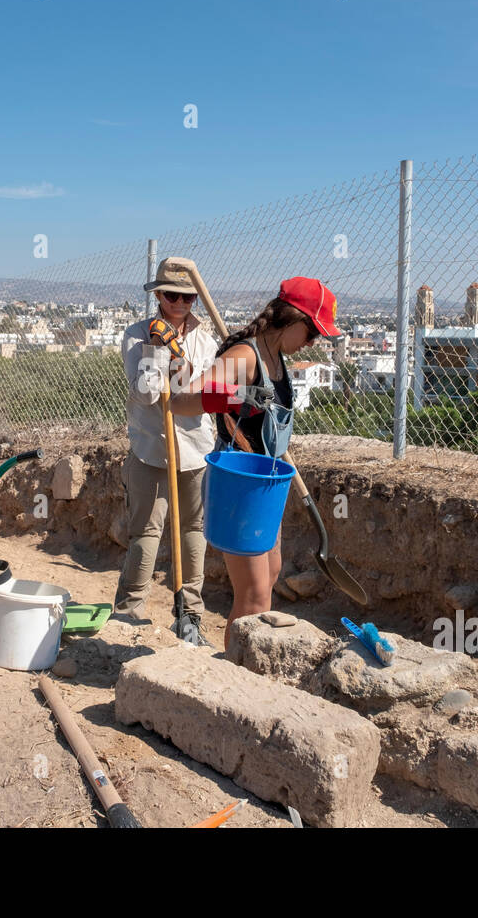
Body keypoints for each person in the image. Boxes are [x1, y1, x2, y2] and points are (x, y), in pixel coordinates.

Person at [168, 277, 340, 649]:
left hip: (265, 482)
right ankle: (234, 672)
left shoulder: (275, 357)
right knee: (255, 596)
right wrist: (236, 395)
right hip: (238, 485)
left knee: (271, 574)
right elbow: (181, 401)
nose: (312, 343)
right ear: (292, 319)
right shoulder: (245, 357)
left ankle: (244, 661)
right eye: (311, 333)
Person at [114, 259, 219, 644]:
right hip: (149, 450)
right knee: (145, 533)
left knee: (194, 531)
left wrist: (183, 364)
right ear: (157, 295)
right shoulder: (135, 335)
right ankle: (127, 617)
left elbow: (200, 394)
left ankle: (190, 617)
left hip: (194, 451)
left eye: (187, 297)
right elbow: (144, 393)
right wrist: (158, 350)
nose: (179, 302)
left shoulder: (206, 342)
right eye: (171, 295)